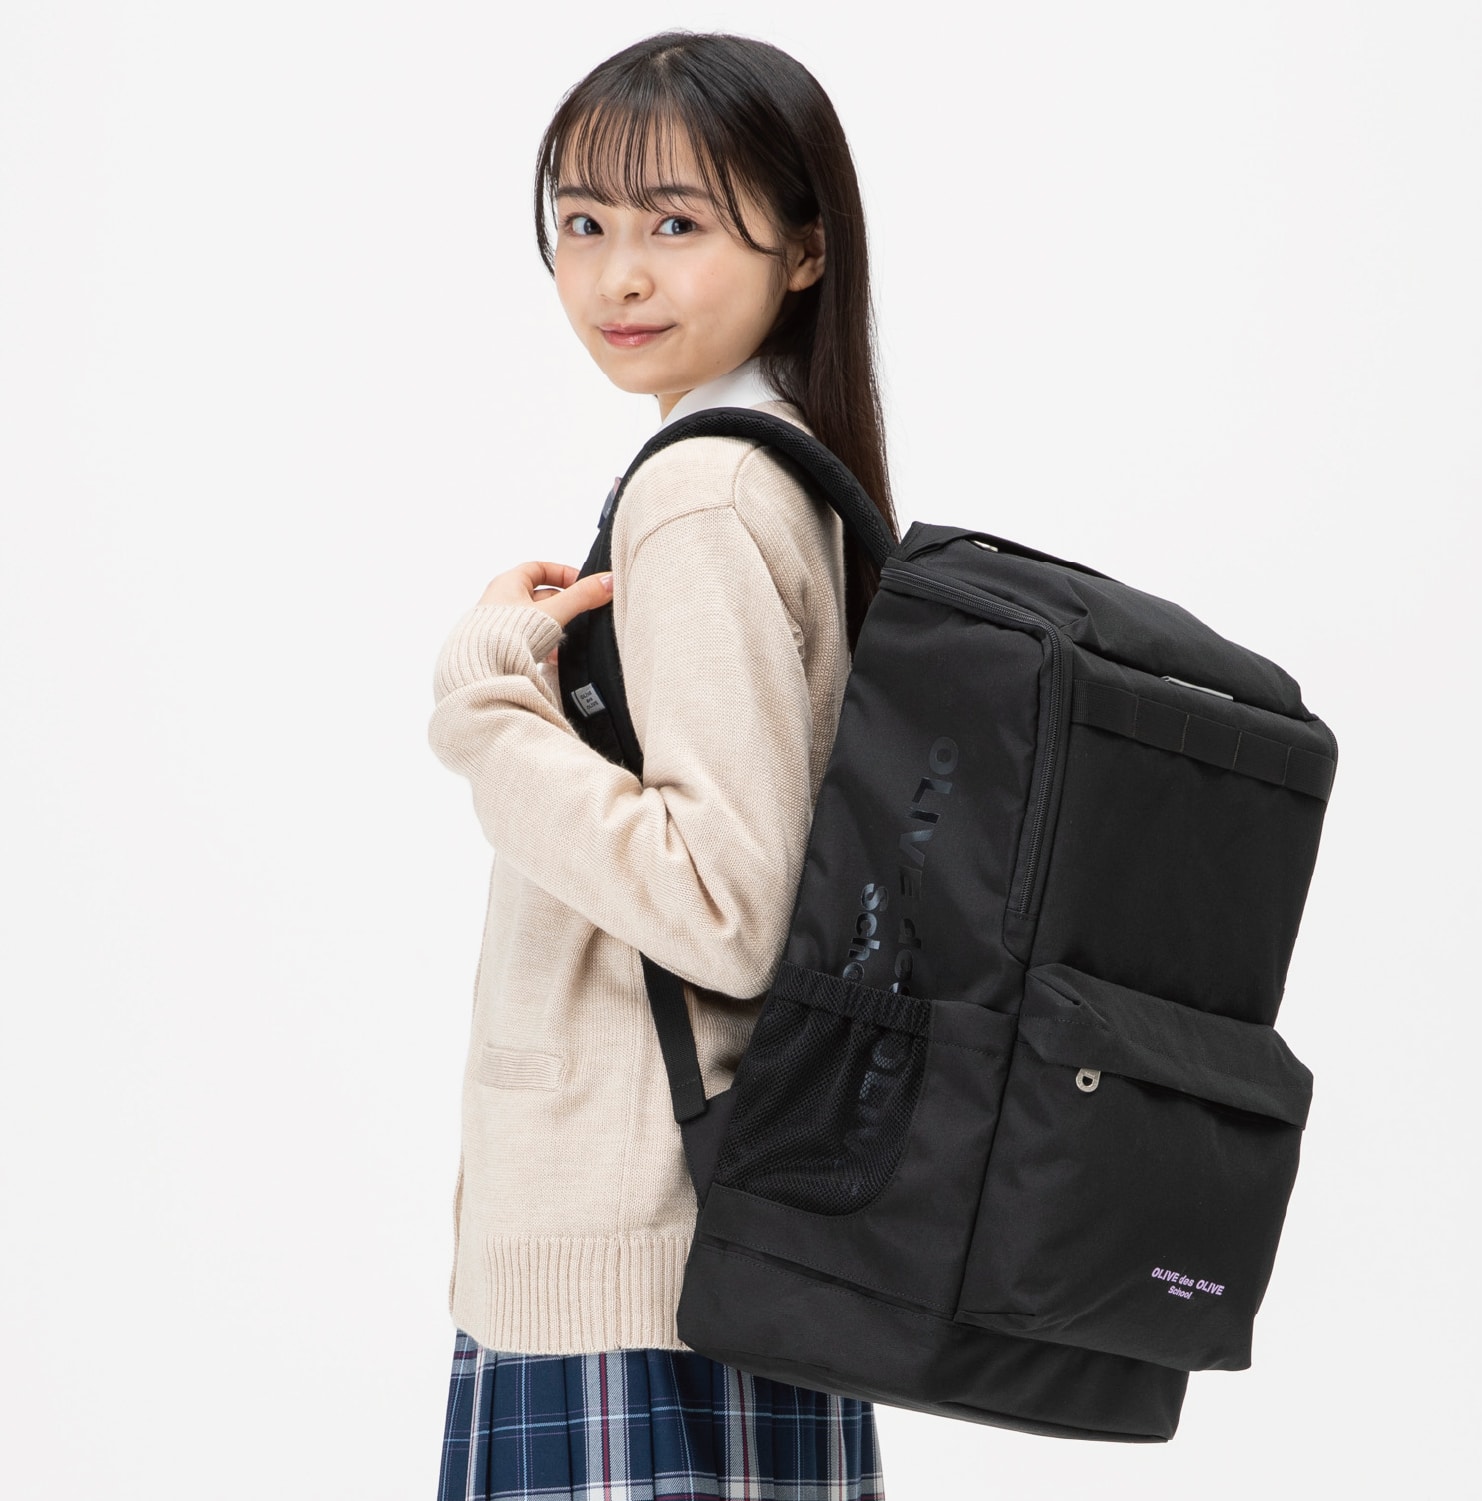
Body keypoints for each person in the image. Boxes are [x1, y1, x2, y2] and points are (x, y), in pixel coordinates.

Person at [427, 30, 900, 1499]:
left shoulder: (699, 493)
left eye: (675, 224)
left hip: (640, 1263)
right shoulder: (783, 469)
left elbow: (726, 904)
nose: (617, 275)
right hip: (722, 1239)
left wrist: (487, 706)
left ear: (803, 250)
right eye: (582, 223)